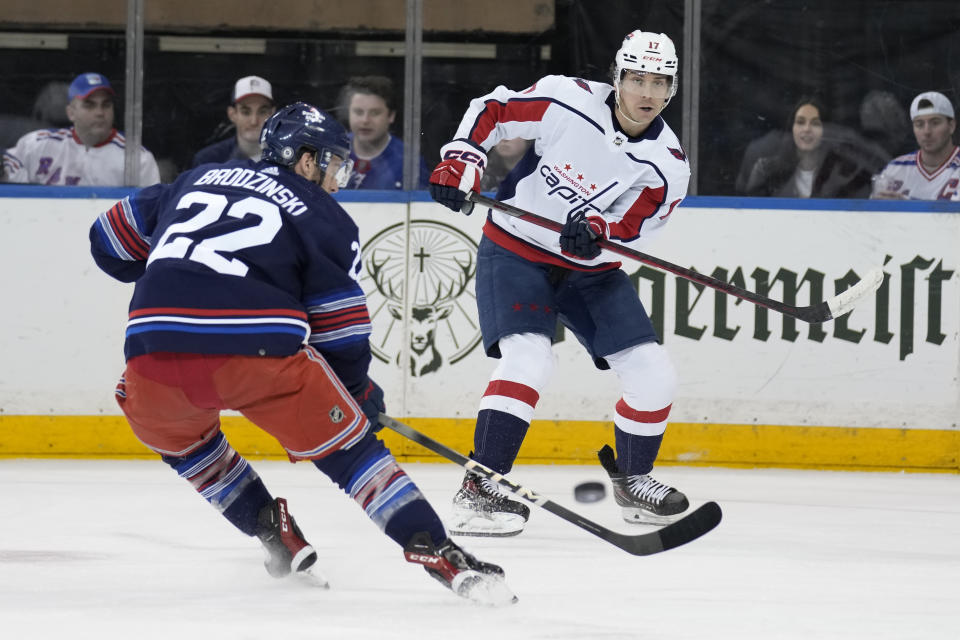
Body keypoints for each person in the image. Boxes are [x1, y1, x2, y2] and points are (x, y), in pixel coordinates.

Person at [88, 102, 515, 606]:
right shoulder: (323, 215)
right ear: (307, 161)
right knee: (352, 455)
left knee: (187, 444)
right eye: (334, 165)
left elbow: (107, 238)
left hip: (151, 354)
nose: (338, 180)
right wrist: (356, 396)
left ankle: (271, 529)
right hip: (258, 352)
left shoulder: (196, 177)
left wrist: (169, 275)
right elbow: (342, 333)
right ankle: (435, 549)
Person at [427, 29, 692, 537]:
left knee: (654, 373)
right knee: (529, 358)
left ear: (671, 89)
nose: (646, 94)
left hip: (588, 273)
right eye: (637, 79)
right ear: (617, 78)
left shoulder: (667, 165)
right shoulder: (568, 100)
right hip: (515, 250)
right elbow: (495, 110)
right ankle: (481, 488)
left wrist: (601, 231)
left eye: (659, 83)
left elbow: (635, 225)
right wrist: (463, 157)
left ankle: (634, 480)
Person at [2, 72, 160, 186]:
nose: (99, 112)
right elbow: (8, 171)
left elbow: (150, 213)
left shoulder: (137, 158)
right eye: (89, 105)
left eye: (106, 105)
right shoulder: (37, 144)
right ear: (71, 112)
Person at [739, 97, 886, 199]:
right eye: (800, 122)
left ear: (826, 130)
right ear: (792, 129)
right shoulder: (767, 170)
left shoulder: (844, 173)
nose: (807, 129)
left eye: (815, 123)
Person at [337, 75, 429, 189]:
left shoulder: (409, 162)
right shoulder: (334, 150)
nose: (365, 120)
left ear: (391, 116)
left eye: (375, 113)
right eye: (358, 112)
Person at [871, 91, 959, 201]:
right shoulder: (894, 169)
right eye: (919, 124)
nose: (927, 131)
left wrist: (907, 208)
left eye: (935, 123)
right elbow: (873, 215)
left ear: (951, 126)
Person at [191, 75, 277, 167]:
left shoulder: (287, 159)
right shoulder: (208, 159)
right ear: (232, 114)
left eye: (262, 112)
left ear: (273, 114)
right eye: (246, 112)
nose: (254, 121)